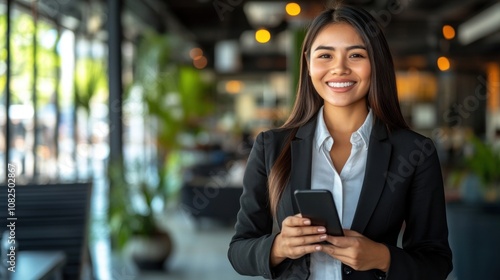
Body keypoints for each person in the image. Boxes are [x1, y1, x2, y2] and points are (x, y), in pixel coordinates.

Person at [227, 3, 453, 280]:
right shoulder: (271, 147)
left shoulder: (415, 151)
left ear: (376, 63)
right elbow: (239, 250)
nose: (339, 68)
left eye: (356, 54)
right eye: (325, 55)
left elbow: (436, 262)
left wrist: (382, 257)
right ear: (308, 64)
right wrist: (278, 247)